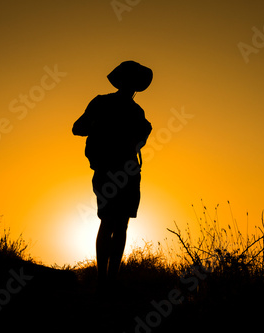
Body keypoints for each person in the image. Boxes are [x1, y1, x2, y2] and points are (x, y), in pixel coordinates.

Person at [72, 60, 153, 292]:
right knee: (117, 224)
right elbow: (79, 128)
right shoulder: (132, 110)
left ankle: (105, 281)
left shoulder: (103, 103)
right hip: (122, 171)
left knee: (112, 222)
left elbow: (78, 128)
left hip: (110, 171)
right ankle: (108, 281)